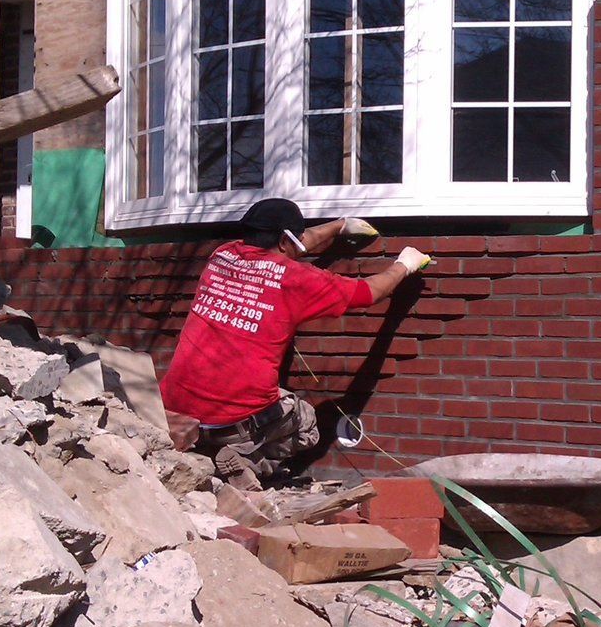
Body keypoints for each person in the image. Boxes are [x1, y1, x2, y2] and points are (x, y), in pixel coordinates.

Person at [159, 198, 429, 488]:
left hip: (175, 414)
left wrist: (339, 226)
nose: (302, 241)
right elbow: (368, 292)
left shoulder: (221, 256)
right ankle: (247, 459)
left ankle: (211, 449)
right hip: (232, 424)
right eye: (297, 237)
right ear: (286, 241)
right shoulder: (297, 279)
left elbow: (294, 244)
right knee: (306, 423)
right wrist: (405, 265)